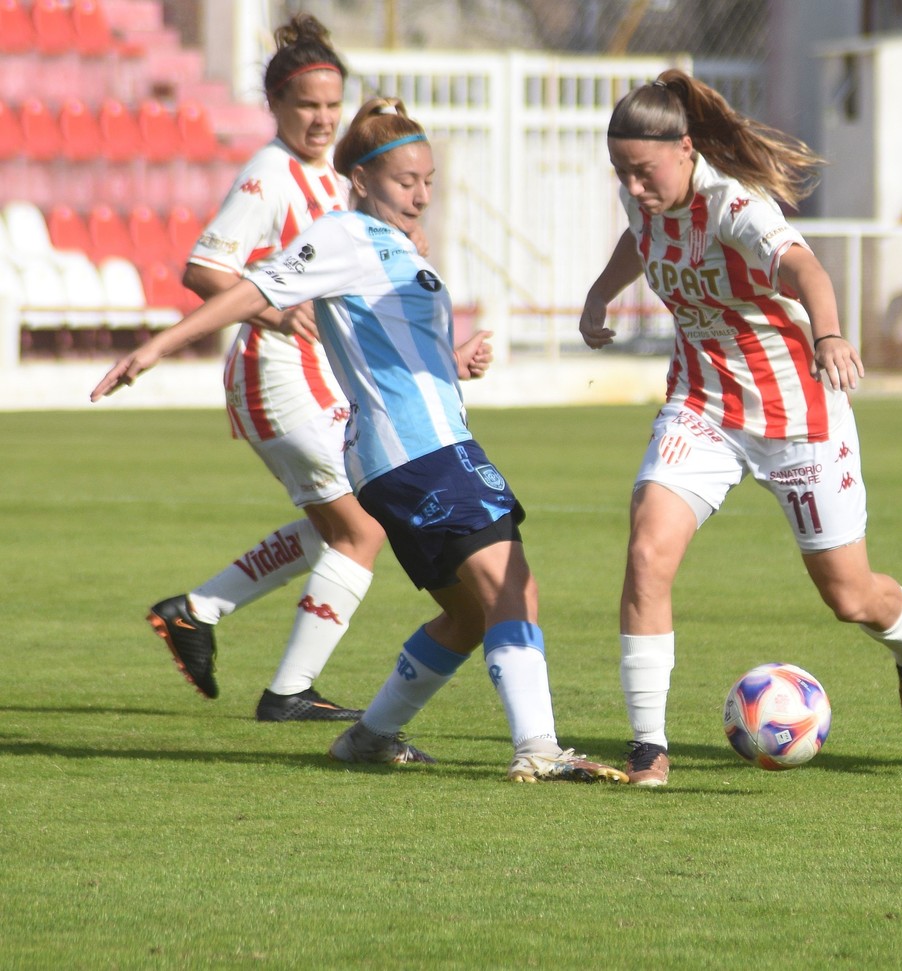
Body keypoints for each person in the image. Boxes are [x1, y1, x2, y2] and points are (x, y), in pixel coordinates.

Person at [94, 98, 625, 784]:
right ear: (362, 179)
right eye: (405, 181)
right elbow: (253, 291)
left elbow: (384, 347)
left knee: (465, 614)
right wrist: (157, 347)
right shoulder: (345, 234)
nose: (421, 194)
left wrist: (450, 360)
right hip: (422, 454)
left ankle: (369, 736)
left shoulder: (394, 247)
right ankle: (539, 748)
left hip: (409, 454)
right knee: (511, 590)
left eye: (429, 179)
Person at [578, 70, 902, 787]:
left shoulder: (734, 205)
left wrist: (830, 335)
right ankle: (648, 746)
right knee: (648, 551)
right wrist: (599, 293)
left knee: (849, 595)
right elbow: (639, 234)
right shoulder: (641, 191)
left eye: (644, 171)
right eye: (621, 171)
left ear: (685, 150)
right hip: (702, 406)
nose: (633, 185)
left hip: (794, 412)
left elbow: (804, 267)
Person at [145, 14, 385, 722]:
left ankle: (196, 610)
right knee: (363, 528)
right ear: (276, 106)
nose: (321, 118)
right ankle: (287, 692)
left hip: (318, 374)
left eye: (330, 105)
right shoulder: (267, 176)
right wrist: (274, 312)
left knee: (348, 517)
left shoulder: (330, 174)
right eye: (306, 105)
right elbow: (203, 268)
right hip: (273, 374)